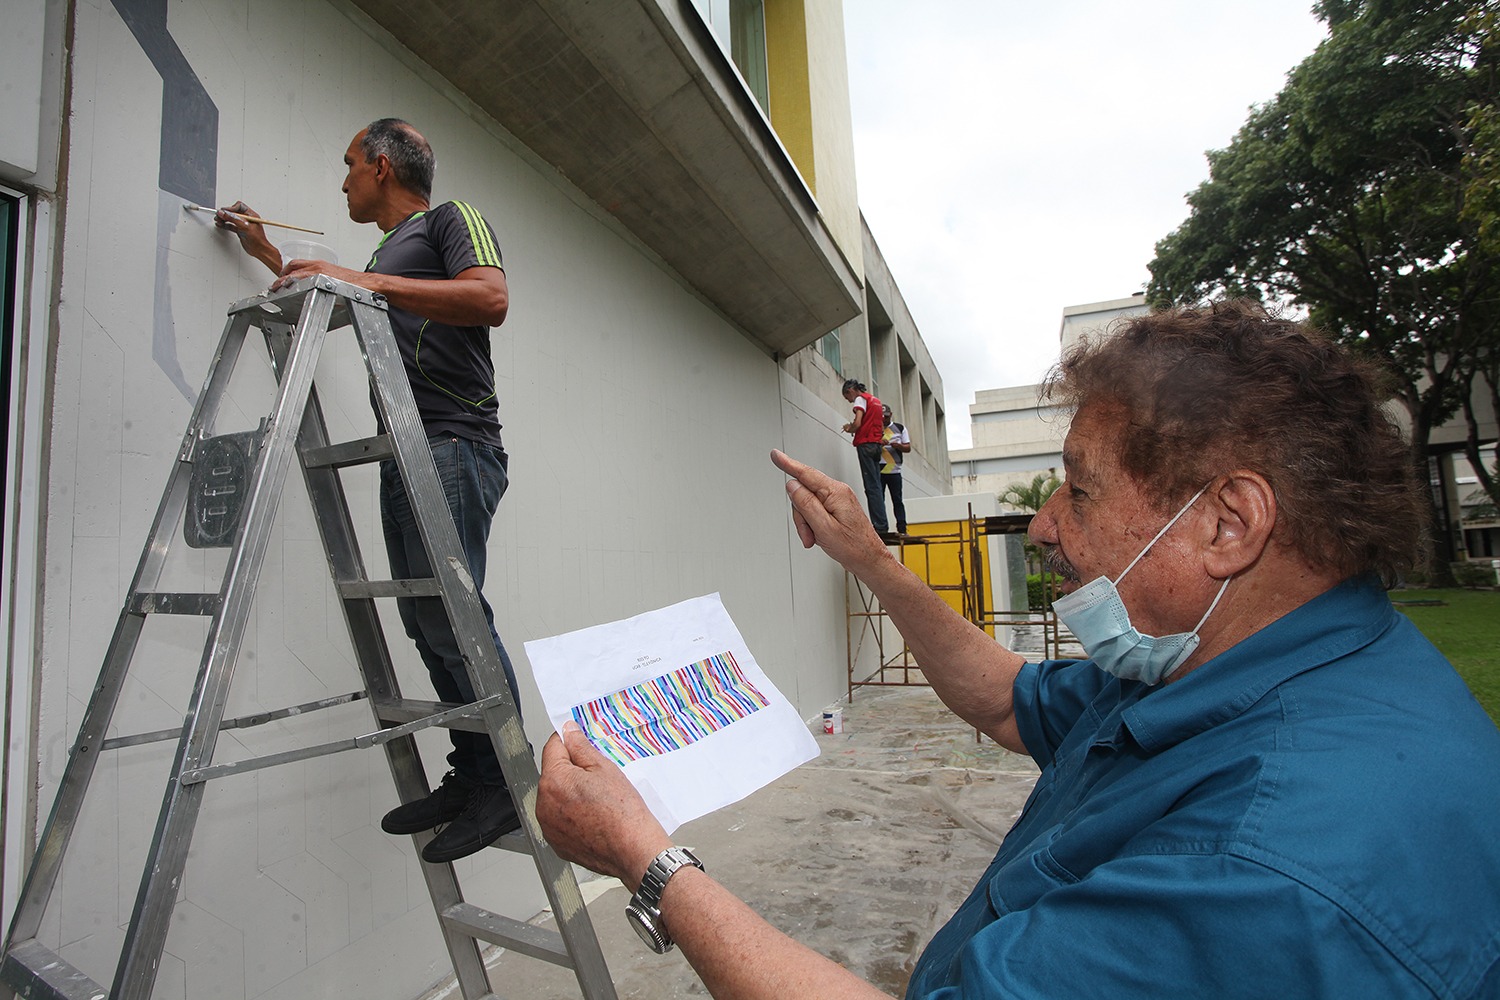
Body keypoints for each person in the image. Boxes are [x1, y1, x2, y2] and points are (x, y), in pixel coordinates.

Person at [537, 301, 1500, 998]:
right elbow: (1007, 699)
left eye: (1079, 490)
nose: (1045, 527)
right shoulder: (1221, 659)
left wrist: (646, 858)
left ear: (1228, 523)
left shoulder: (1266, 876)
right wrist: (871, 559)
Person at [217, 118, 523, 863]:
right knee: (425, 621)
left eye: (351, 163)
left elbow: (490, 298)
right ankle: (474, 770)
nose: (344, 179)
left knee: (456, 616)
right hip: (408, 450)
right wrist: (270, 256)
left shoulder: (451, 220)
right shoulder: (388, 254)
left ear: (383, 166)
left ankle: (507, 785)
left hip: (453, 443)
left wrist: (363, 280)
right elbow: (367, 293)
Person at [840, 377, 889, 536]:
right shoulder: (876, 401)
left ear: (850, 391)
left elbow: (858, 423)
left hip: (866, 444)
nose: (849, 401)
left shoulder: (860, 400)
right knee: (877, 485)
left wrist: (849, 428)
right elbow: (879, 426)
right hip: (876, 445)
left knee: (871, 487)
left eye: (847, 397)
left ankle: (879, 526)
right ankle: (882, 523)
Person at [879, 404, 910, 537]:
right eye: (881, 417)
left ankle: (902, 528)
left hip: (894, 469)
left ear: (890, 415)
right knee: (879, 500)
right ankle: (881, 528)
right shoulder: (875, 427)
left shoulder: (899, 428)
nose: (884, 420)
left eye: (886, 417)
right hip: (879, 469)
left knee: (897, 500)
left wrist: (898, 446)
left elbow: (908, 447)